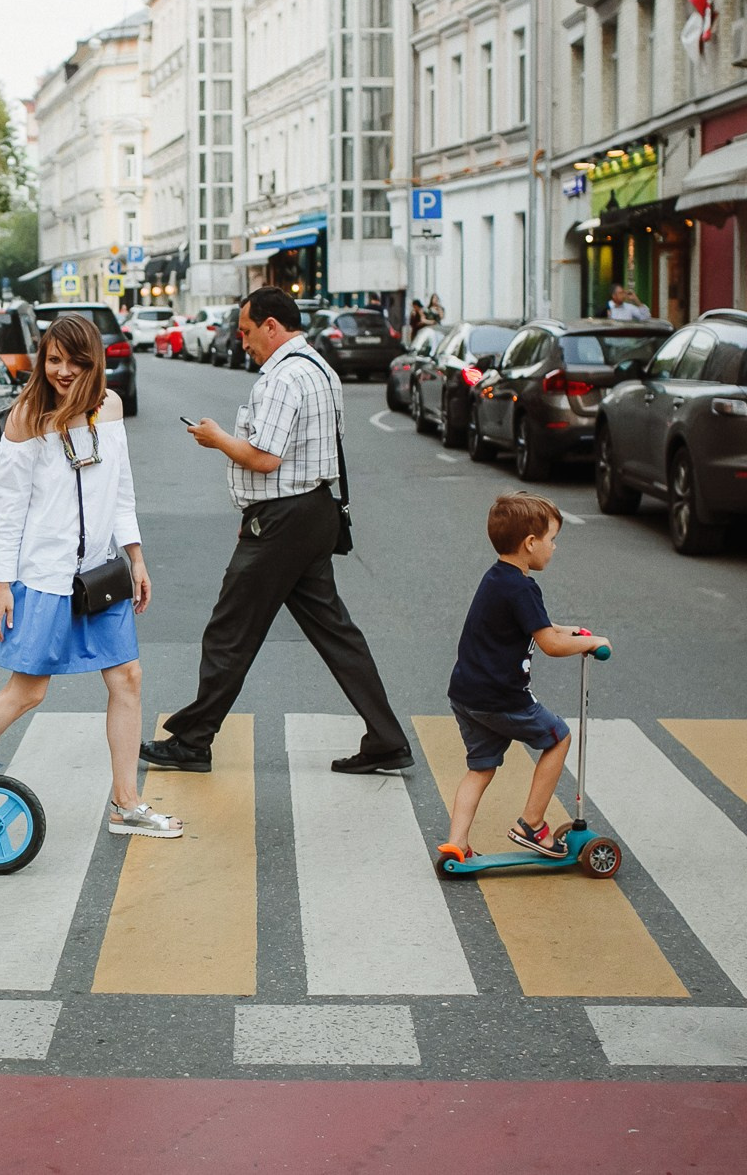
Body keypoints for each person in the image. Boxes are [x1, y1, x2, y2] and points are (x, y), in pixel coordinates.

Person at [144, 287, 412, 776]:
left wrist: (217, 438)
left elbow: (264, 458)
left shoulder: (282, 378)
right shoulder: (320, 369)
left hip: (280, 522)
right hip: (314, 513)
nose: (242, 342)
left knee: (229, 630)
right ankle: (387, 739)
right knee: (336, 633)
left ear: (272, 326)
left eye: (247, 332)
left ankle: (193, 740)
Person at [0, 312, 179, 838]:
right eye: (53, 359)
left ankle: (127, 804)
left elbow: (120, 492)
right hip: (44, 576)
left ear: (93, 362)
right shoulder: (27, 416)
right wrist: (3, 585)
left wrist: (136, 556)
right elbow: (8, 508)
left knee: (128, 679)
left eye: (74, 361)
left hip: (101, 576)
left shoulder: (109, 408)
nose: (62, 371)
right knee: (26, 692)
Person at [436, 494, 611, 864]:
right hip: (503, 698)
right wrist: (591, 642)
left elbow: (536, 626)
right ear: (530, 543)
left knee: (480, 769)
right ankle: (531, 824)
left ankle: (457, 844)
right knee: (558, 737)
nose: (554, 547)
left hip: (467, 695)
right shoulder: (523, 586)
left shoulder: (497, 578)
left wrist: (570, 630)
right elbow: (548, 643)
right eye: (551, 539)